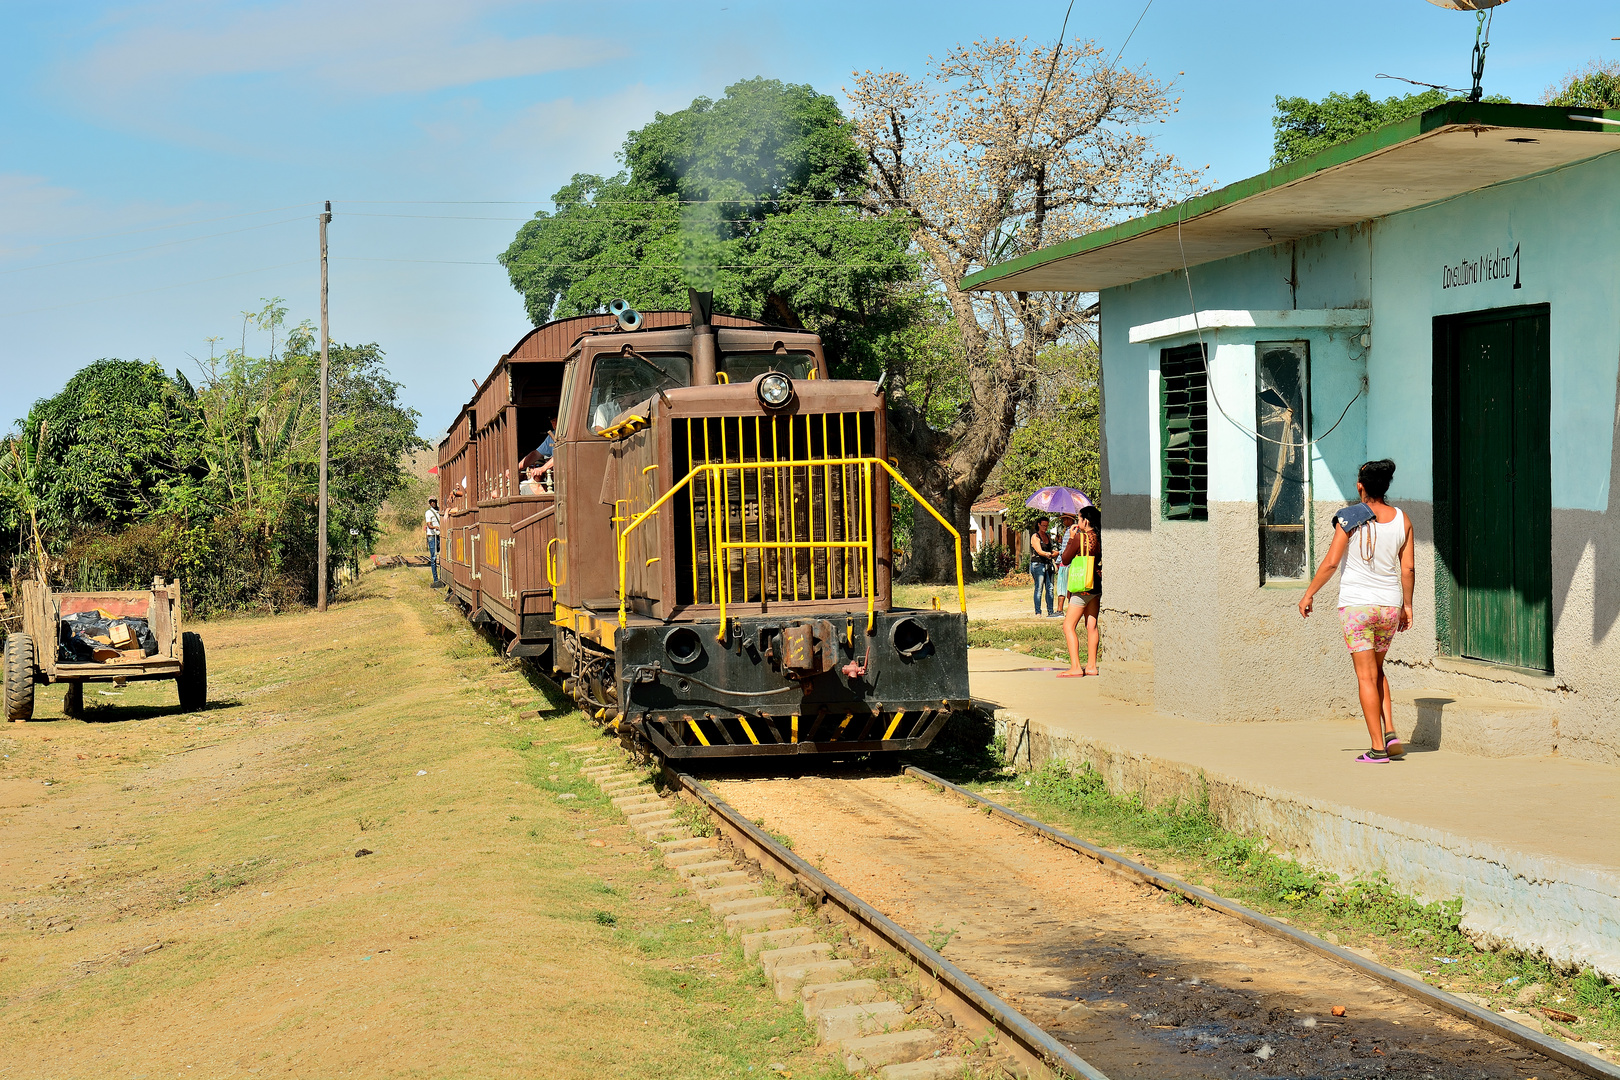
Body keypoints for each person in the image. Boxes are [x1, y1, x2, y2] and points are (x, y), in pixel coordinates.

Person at [1298, 459, 1414, 763]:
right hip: (1389, 607)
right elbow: (1409, 567)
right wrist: (1408, 605)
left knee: (1365, 676)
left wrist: (1309, 593)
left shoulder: (1349, 518)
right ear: (1386, 486)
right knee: (1377, 670)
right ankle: (1390, 732)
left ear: (1360, 486)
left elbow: (1332, 562)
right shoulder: (1403, 519)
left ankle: (1377, 749)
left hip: (1357, 608)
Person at [1058, 505, 1102, 677]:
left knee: (1068, 626)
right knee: (1092, 625)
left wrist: (1071, 538)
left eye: (1079, 518)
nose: (1077, 521)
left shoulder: (1079, 538)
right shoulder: (1099, 537)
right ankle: (1092, 666)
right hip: (1095, 584)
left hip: (1081, 585)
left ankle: (1076, 666)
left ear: (1086, 520)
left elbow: (1066, 559)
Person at [1029, 516, 1056, 617]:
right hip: (1038, 564)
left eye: (1047, 525)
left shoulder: (1048, 536)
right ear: (1039, 525)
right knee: (1039, 588)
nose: (1045, 527)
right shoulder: (1035, 537)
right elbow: (1039, 551)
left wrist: (1055, 553)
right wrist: (1048, 554)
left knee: (1050, 588)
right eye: (1043, 525)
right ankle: (1038, 612)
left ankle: (1050, 611)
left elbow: (1051, 549)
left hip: (1047, 564)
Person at [1052, 512, 1077, 616]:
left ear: (1070, 519)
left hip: (1065, 562)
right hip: (1069, 561)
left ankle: (1059, 610)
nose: (1063, 521)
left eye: (1065, 519)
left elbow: (1067, 547)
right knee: (1070, 588)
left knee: (1062, 586)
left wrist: (1059, 553)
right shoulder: (1072, 530)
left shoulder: (1071, 531)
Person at [424, 497, 442, 587]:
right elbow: (429, 525)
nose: (433, 503)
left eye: (434, 501)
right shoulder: (428, 513)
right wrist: (435, 527)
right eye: (431, 502)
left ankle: (442, 578)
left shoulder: (440, 511)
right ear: (429, 503)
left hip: (440, 535)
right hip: (432, 536)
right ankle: (436, 579)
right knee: (434, 558)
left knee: (442, 556)